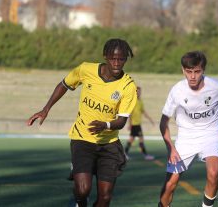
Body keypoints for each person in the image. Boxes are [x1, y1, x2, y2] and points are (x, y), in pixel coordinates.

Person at [27, 38, 138, 207]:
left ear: (125, 59)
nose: (116, 63)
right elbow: (64, 84)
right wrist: (46, 108)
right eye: (112, 58)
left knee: (105, 198)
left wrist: (105, 125)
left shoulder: (128, 86)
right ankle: (79, 200)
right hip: (82, 139)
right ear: (105, 56)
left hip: (109, 145)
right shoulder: (86, 69)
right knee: (83, 189)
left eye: (121, 59)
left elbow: (121, 121)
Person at [158, 51, 218, 207]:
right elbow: (163, 122)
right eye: (189, 71)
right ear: (183, 70)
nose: (192, 76)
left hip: (211, 136)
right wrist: (171, 148)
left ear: (203, 70)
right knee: (169, 185)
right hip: (186, 139)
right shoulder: (177, 91)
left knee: (213, 174)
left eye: (197, 71)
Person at [124, 86, 155, 160]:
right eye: (138, 91)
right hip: (134, 124)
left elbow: (143, 111)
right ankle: (145, 155)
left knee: (133, 139)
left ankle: (124, 154)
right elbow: (130, 114)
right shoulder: (133, 101)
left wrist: (150, 119)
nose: (139, 93)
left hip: (138, 124)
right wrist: (130, 124)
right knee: (137, 139)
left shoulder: (140, 101)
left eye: (140, 92)